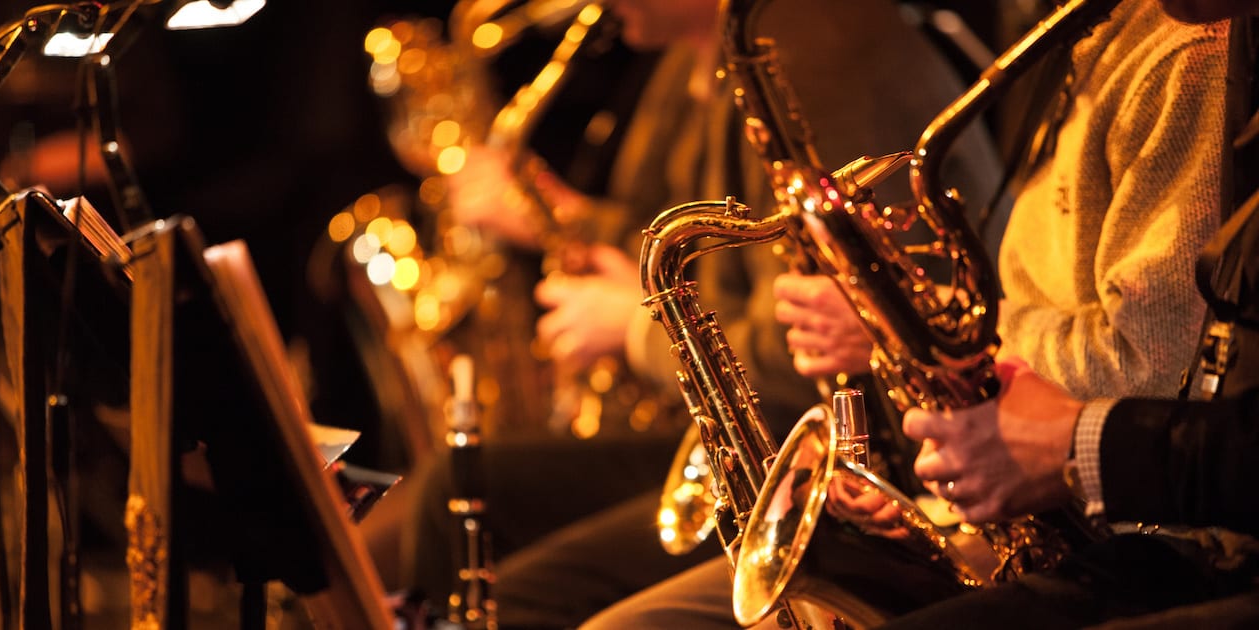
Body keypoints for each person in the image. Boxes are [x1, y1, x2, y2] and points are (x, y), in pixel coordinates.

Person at [582, 1, 1238, 628]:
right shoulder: (1098, 36)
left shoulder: (1185, 46)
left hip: (1122, 531)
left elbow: (1161, 368)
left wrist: (912, 332)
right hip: (1017, 503)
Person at [393, 0, 1004, 628]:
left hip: (861, 456)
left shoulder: (813, 52)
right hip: (769, 438)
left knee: (505, 574)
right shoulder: (716, 51)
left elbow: (809, 354)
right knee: (456, 499)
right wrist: (573, 224)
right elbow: (719, 260)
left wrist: (632, 331)